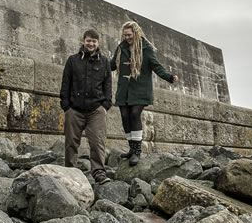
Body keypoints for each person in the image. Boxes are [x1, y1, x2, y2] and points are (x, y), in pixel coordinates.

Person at [111, 20, 178, 165]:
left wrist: (169, 77)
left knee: (135, 114)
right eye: (125, 35)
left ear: (136, 33)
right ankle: (131, 148)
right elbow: (111, 65)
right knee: (124, 116)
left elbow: (156, 66)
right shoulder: (121, 48)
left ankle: (137, 151)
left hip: (140, 89)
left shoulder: (145, 48)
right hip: (124, 89)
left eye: (129, 35)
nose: (127, 38)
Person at [59, 28, 112, 184]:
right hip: (74, 109)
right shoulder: (72, 60)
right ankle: (70, 170)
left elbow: (107, 84)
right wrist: (65, 105)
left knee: (97, 142)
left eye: (94, 41)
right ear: (83, 41)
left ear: (98, 43)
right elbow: (65, 83)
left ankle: (99, 173)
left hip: (96, 110)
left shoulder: (104, 62)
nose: (91, 43)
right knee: (71, 142)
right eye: (88, 40)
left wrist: (106, 105)